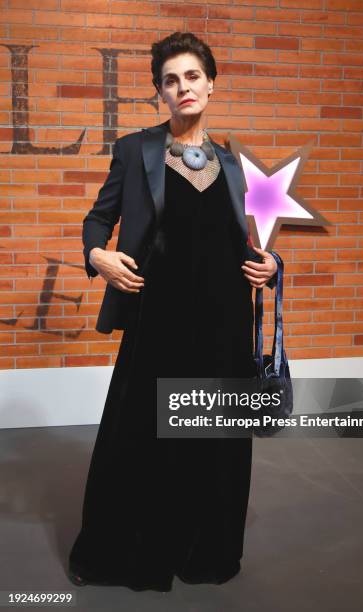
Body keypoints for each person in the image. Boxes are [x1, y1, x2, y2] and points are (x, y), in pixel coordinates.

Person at [68, 31, 277, 593]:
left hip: (224, 323)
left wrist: (272, 264)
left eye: (191, 76)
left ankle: (205, 549)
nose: (182, 87)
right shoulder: (136, 150)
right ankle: (130, 552)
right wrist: (99, 257)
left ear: (210, 83)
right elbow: (96, 220)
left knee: (215, 444)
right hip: (156, 318)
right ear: (159, 91)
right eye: (170, 80)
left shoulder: (234, 165)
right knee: (141, 438)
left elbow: (250, 243)